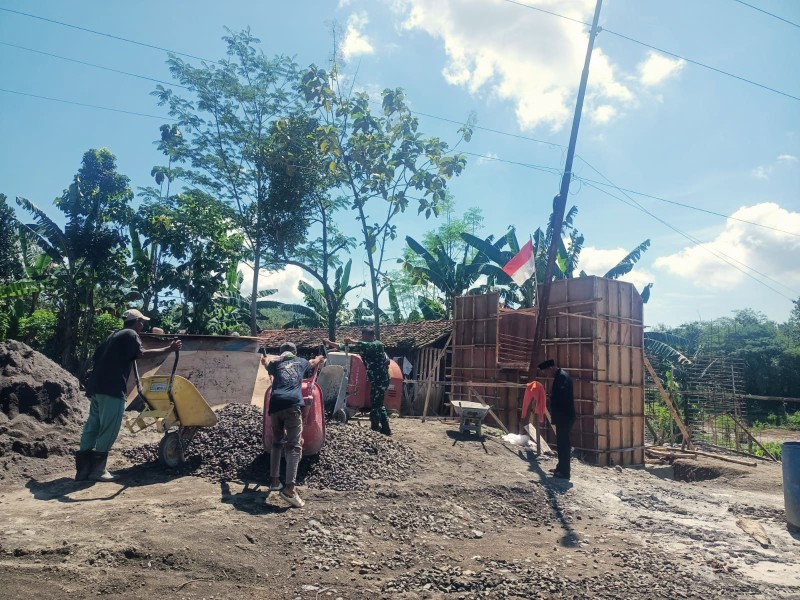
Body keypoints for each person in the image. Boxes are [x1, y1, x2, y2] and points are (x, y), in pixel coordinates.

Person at [76, 309, 181, 482]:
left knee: (92, 426)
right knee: (109, 428)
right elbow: (141, 354)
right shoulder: (131, 334)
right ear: (137, 321)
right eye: (142, 322)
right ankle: (97, 471)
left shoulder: (113, 336)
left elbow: (97, 357)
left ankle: (82, 470)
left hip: (96, 387)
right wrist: (169, 348)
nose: (143, 325)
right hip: (112, 388)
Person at [263, 342, 324, 508]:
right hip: (292, 405)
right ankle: (289, 488)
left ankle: (274, 481)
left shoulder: (275, 363)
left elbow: (267, 364)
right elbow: (314, 362)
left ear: (281, 353)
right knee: (294, 446)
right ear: (295, 352)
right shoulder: (302, 361)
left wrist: (264, 361)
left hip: (274, 405)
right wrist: (320, 357)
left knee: (276, 441)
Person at [324, 327, 391, 435]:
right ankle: (386, 429)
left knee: (375, 406)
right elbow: (344, 347)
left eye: (366, 338)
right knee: (378, 404)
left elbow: (367, 345)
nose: (364, 341)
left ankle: (374, 429)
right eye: (363, 338)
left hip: (381, 380)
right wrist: (329, 342)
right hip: (375, 380)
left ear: (372, 337)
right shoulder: (363, 347)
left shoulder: (377, 345)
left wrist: (353, 341)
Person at [538, 359, 575, 480]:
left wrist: (551, 398)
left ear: (550, 368)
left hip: (565, 416)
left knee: (564, 445)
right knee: (561, 444)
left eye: (546, 372)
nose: (546, 375)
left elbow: (563, 396)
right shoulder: (560, 376)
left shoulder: (562, 377)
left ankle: (565, 473)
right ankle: (560, 468)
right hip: (563, 416)